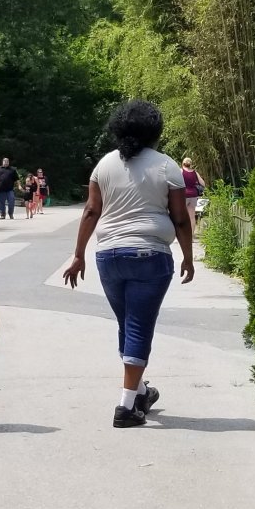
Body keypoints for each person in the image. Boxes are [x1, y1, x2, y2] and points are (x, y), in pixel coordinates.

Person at [62, 101, 194, 428]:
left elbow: (91, 211)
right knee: (138, 326)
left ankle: (141, 391)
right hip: (150, 256)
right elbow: (179, 217)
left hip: (108, 256)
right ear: (155, 130)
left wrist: (78, 254)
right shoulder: (166, 166)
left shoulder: (104, 165)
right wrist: (188, 257)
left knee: (127, 323)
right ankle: (125, 406)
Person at [181, 157, 204, 222]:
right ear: (190, 164)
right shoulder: (195, 172)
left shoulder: (181, 171)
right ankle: (192, 232)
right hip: (193, 195)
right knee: (192, 217)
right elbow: (203, 184)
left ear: (183, 163)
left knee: (182, 215)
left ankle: (184, 232)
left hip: (184, 195)